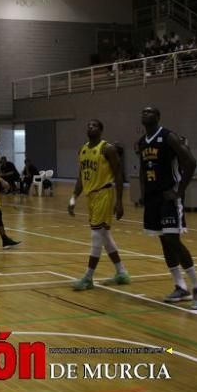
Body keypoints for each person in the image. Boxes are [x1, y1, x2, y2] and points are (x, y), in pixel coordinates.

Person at [137, 107, 197, 310]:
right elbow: (143, 170)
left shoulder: (169, 137)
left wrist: (178, 191)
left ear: (158, 117)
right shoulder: (142, 142)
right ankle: (180, 286)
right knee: (164, 241)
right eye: (143, 112)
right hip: (152, 198)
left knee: (172, 239)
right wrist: (143, 194)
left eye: (150, 112)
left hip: (169, 197)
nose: (146, 114)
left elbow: (191, 163)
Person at [68, 120, 131, 290]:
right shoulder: (82, 150)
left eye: (94, 125)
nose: (90, 127)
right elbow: (81, 176)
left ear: (101, 130)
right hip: (91, 197)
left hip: (104, 193)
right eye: (88, 125)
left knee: (96, 236)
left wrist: (119, 201)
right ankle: (121, 272)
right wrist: (73, 198)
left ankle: (88, 277)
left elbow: (119, 174)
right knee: (105, 236)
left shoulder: (107, 149)